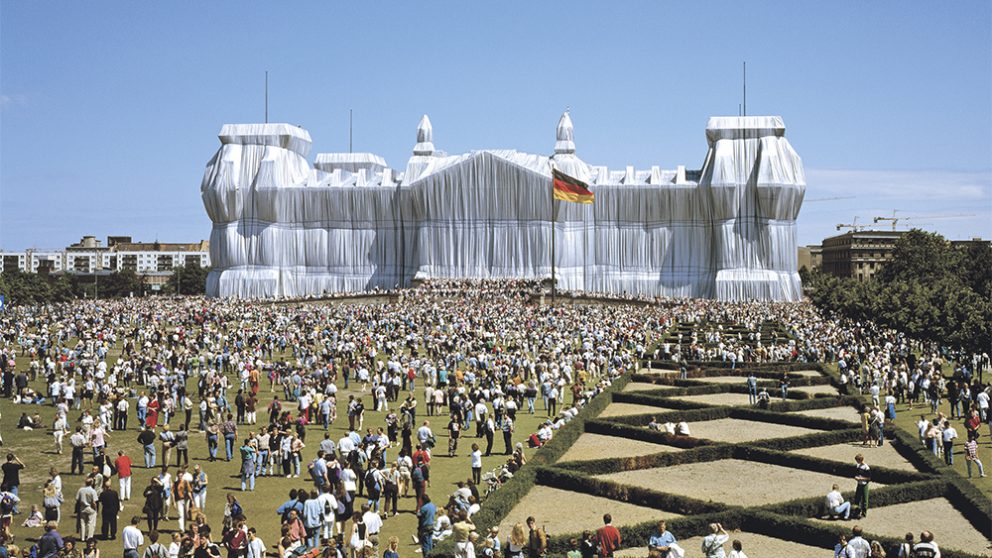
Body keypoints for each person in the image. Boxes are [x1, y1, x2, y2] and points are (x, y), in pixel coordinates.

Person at [853, 454, 871, 518]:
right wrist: (856, 477)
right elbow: (857, 473)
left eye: (857, 460)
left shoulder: (866, 467)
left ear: (860, 460)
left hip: (864, 485)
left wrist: (860, 479)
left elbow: (869, 478)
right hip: (859, 484)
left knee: (864, 500)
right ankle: (857, 512)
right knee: (857, 499)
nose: (856, 462)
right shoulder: (858, 466)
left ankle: (864, 513)